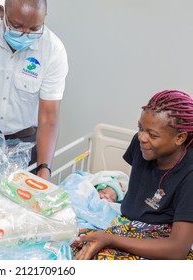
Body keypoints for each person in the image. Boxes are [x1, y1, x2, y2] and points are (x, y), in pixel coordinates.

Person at [73, 90, 193, 260]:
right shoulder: (142, 145)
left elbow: (176, 250)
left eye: (152, 134)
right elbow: (144, 184)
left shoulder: (189, 174)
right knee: (76, 245)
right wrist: (115, 188)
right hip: (127, 224)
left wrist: (110, 240)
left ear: (180, 137)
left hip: (164, 240)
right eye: (140, 128)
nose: (142, 137)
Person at [0, 0, 68, 180]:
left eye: (34, 29)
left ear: (44, 18)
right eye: (17, 26)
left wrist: (44, 168)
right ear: (2, 13)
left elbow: (49, 119)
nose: (25, 34)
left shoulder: (53, 50)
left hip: (22, 145)